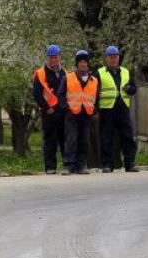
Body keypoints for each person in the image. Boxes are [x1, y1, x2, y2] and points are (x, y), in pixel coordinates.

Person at [96, 45, 139, 173]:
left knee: (127, 136)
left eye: (115, 57)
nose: (113, 59)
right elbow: (95, 93)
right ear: (106, 59)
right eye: (111, 57)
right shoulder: (99, 73)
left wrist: (129, 89)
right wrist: (95, 110)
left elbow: (134, 88)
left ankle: (130, 163)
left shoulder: (125, 72)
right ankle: (107, 164)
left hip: (123, 108)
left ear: (119, 58)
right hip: (107, 109)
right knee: (106, 137)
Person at [58, 50, 99, 175]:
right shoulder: (68, 78)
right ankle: (69, 166)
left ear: (88, 64)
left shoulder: (94, 80)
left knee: (84, 141)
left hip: (87, 115)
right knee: (71, 140)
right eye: (80, 62)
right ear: (77, 64)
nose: (83, 64)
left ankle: (81, 166)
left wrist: (95, 111)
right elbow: (60, 95)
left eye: (85, 62)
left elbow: (96, 98)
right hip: (72, 114)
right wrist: (66, 108)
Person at [32, 44, 68, 174]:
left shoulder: (65, 72)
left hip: (62, 111)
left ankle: (67, 165)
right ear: (47, 58)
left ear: (59, 57)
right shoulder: (40, 73)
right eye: (51, 57)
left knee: (65, 139)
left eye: (55, 57)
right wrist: (46, 108)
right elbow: (36, 93)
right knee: (50, 140)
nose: (53, 60)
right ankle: (50, 167)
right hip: (49, 112)